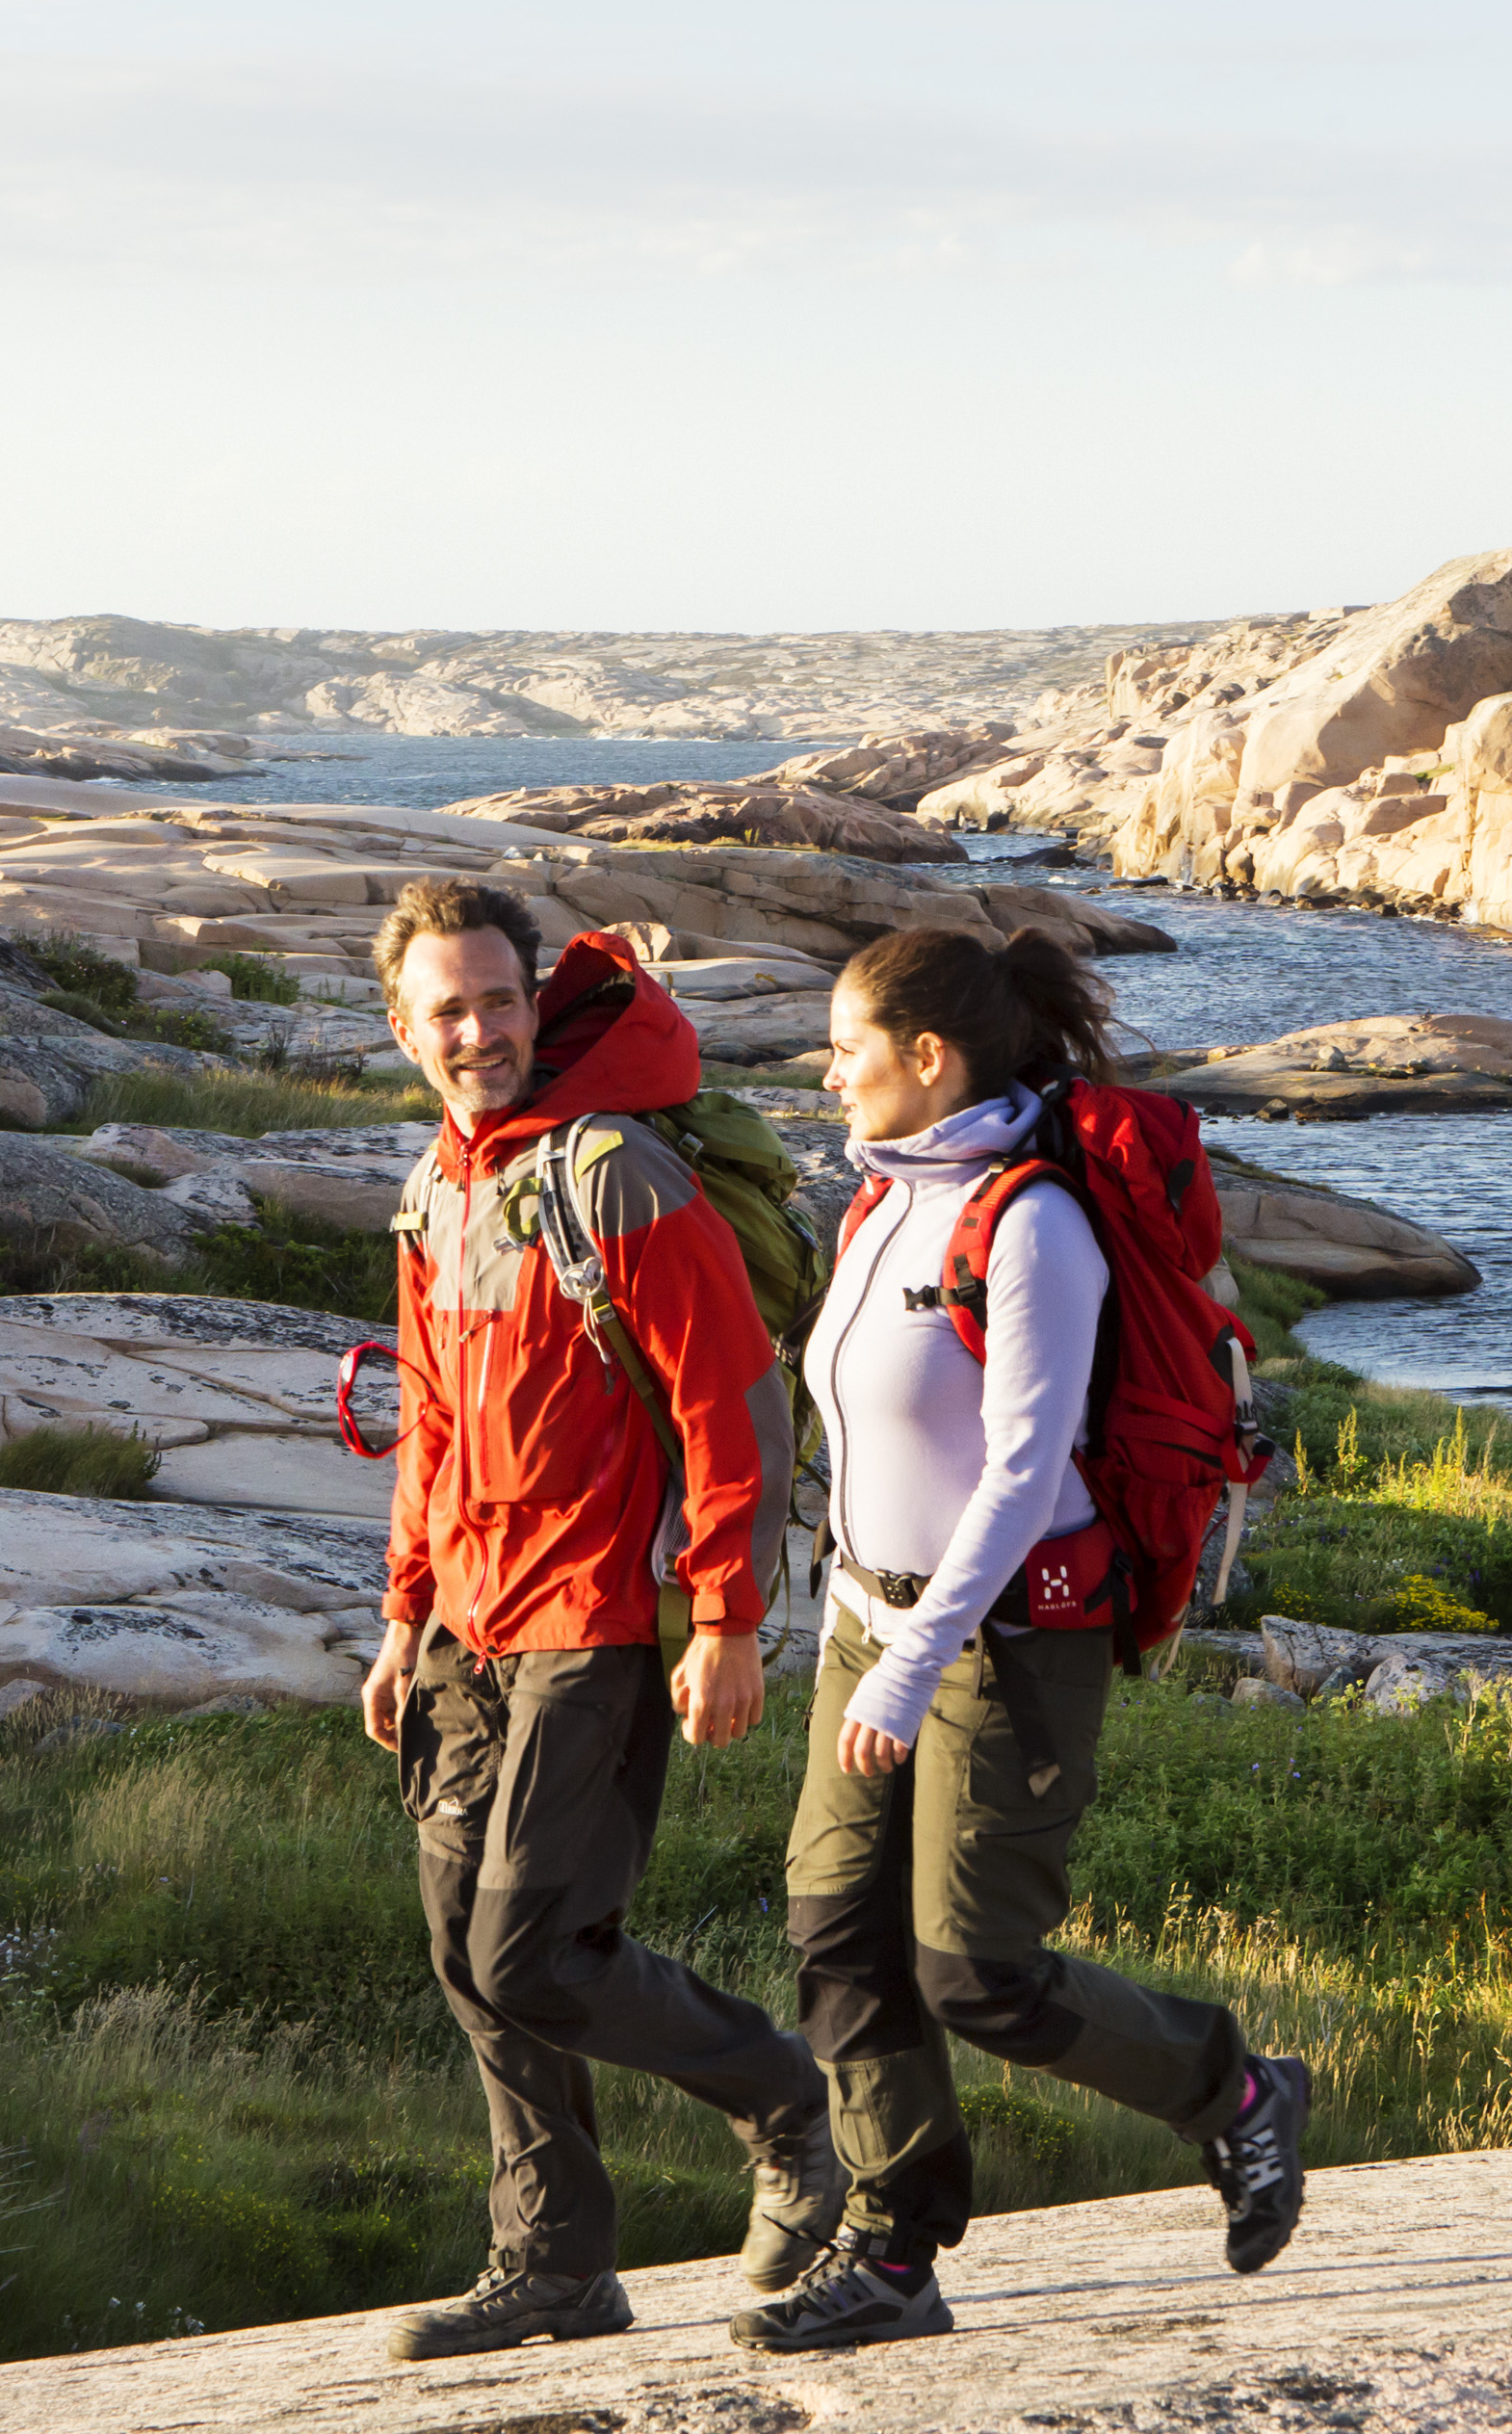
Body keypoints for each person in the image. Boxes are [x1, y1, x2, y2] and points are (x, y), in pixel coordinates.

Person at [732, 926, 1310, 2354]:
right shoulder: (882, 1207)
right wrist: (850, 1620)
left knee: (972, 1968)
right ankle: (893, 2252)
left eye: (847, 1047)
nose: (826, 1070)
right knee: (835, 1937)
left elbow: (1021, 1463)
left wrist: (922, 1652)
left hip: (1003, 1638)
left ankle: (1232, 2090)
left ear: (929, 1061)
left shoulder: (1033, 1219)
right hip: (876, 1623)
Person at [358, 877, 846, 2361]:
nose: (479, 1031)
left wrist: (726, 1615)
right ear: (405, 1024)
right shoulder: (439, 1185)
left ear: (534, 1002)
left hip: (601, 1618)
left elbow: (732, 1400)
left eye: (501, 1001)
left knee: (533, 1947)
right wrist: (399, 1616)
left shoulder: (614, 1171)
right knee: (463, 1943)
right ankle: (555, 2262)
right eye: (449, 1009)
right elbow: (433, 1421)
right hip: (465, 1624)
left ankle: (782, 2097)